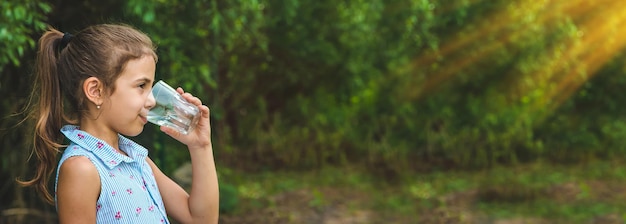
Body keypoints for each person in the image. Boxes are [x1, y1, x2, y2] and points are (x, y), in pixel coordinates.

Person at [17, 24, 219, 223]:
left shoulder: (136, 159)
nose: (152, 101)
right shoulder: (82, 168)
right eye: (141, 86)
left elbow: (201, 219)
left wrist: (200, 146)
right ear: (96, 91)